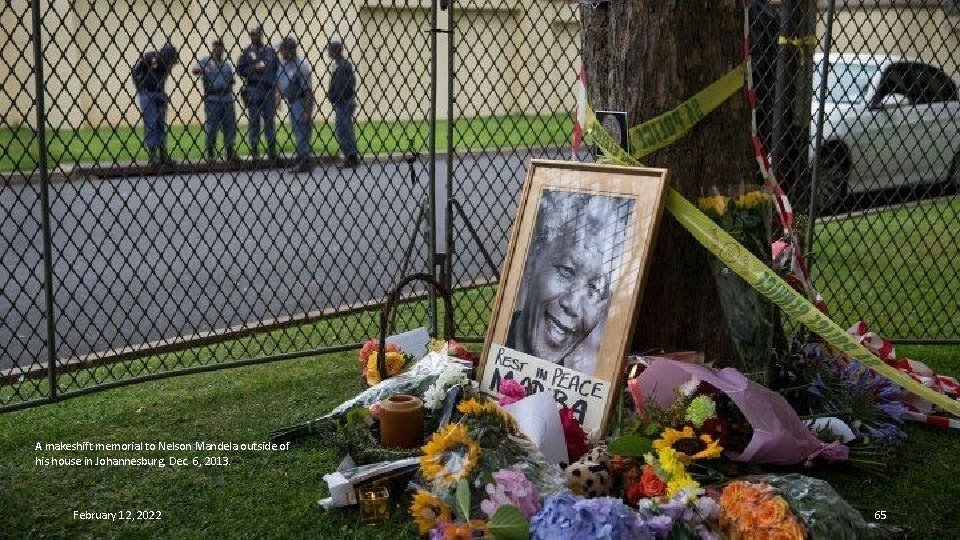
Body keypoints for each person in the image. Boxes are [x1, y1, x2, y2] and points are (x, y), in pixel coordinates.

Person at [505, 191, 634, 375]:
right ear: (533, 260)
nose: (572, 305)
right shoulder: (497, 348)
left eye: (594, 289)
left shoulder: (583, 389)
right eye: (566, 271)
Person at [236, 24, 279, 162]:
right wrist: (253, 68)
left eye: (256, 34)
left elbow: (277, 69)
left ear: (261, 35)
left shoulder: (270, 52)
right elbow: (240, 70)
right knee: (254, 121)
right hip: (253, 89)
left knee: (269, 121)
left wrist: (277, 91)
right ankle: (255, 152)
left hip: (268, 90)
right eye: (252, 34)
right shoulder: (247, 52)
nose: (254, 37)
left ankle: (272, 151)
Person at [132, 41, 178, 165]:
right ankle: (153, 155)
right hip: (147, 93)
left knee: (161, 125)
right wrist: (140, 87)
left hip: (159, 94)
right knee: (151, 124)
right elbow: (147, 61)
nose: (171, 64)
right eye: (170, 59)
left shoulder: (166, 65)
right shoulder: (154, 57)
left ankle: (163, 154)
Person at [192, 38, 237, 161]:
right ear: (213, 48)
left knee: (230, 126)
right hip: (212, 98)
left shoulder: (226, 65)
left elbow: (232, 80)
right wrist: (203, 70)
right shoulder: (206, 61)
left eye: (221, 47)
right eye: (216, 46)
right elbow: (194, 69)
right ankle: (211, 153)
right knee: (212, 127)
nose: (219, 49)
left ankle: (230, 151)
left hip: (227, 98)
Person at [276, 37, 314, 173]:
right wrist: (278, 98)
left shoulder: (302, 66)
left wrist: (307, 112)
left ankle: (305, 162)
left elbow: (308, 92)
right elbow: (279, 82)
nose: (281, 52)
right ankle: (301, 158)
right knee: (297, 131)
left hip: (301, 101)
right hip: (292, 102)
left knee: (302, 131)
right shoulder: (283, 64)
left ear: (290, 50)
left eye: (283, 50)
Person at [326, 38, 359, 168]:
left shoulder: (342, 66)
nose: (329, 52)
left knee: (343, 130)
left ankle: (351, 157)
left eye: (330, 50)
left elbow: (342, 87)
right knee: (345, 129)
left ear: (336, 51)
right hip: (345, 102)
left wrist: (333, 97)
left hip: (343, 102)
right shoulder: (343, 64)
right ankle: (350, 156)